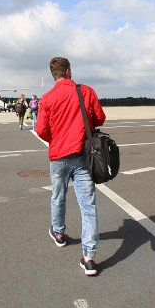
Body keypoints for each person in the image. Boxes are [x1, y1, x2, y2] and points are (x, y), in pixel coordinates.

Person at [35, 56, 106, 276]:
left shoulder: (46, 99)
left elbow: (41, 130)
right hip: (83, 157)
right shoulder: (85, 91)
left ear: (53, 74)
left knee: (58, 197)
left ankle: (59, 234)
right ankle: (90, 257)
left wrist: (57, 138)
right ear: (69, 70)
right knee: (88, 207)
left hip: (58, 157)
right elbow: (100, 118)